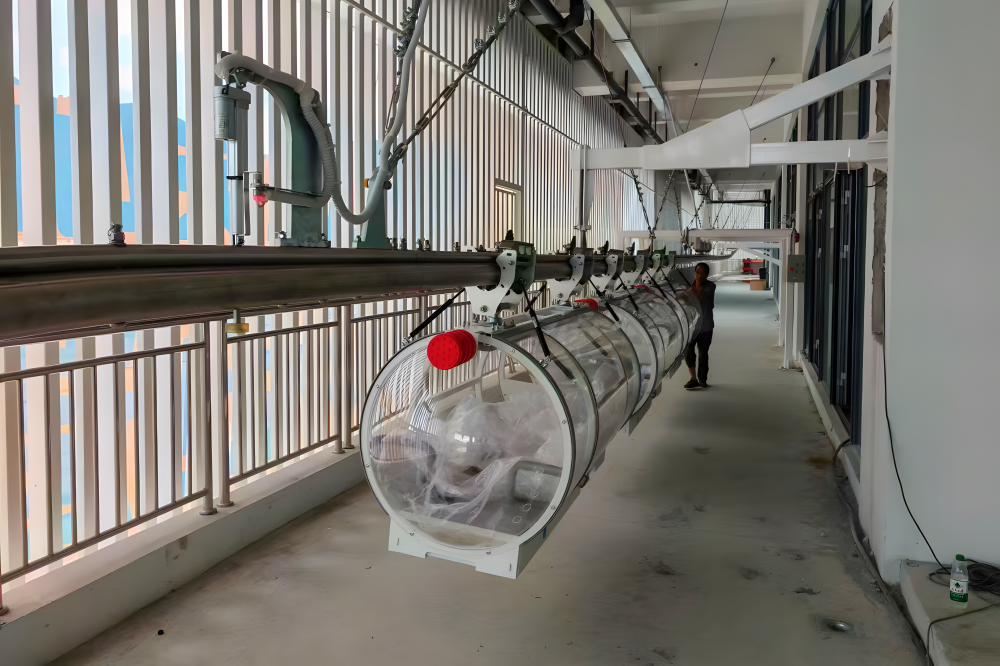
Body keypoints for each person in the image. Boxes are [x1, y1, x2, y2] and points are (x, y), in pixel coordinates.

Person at [684, 262, 716, 390]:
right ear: (694, 273)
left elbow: (700, 297)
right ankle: (693, 379)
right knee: (688, 353)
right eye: (697, 272)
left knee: (703, 354)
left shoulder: (710, 286)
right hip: (692, 328)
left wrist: (685, 294)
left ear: (707, 274)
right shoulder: (689, 289)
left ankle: (702, 379)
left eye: (703, 273)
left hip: (705, 328)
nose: (699, 276)